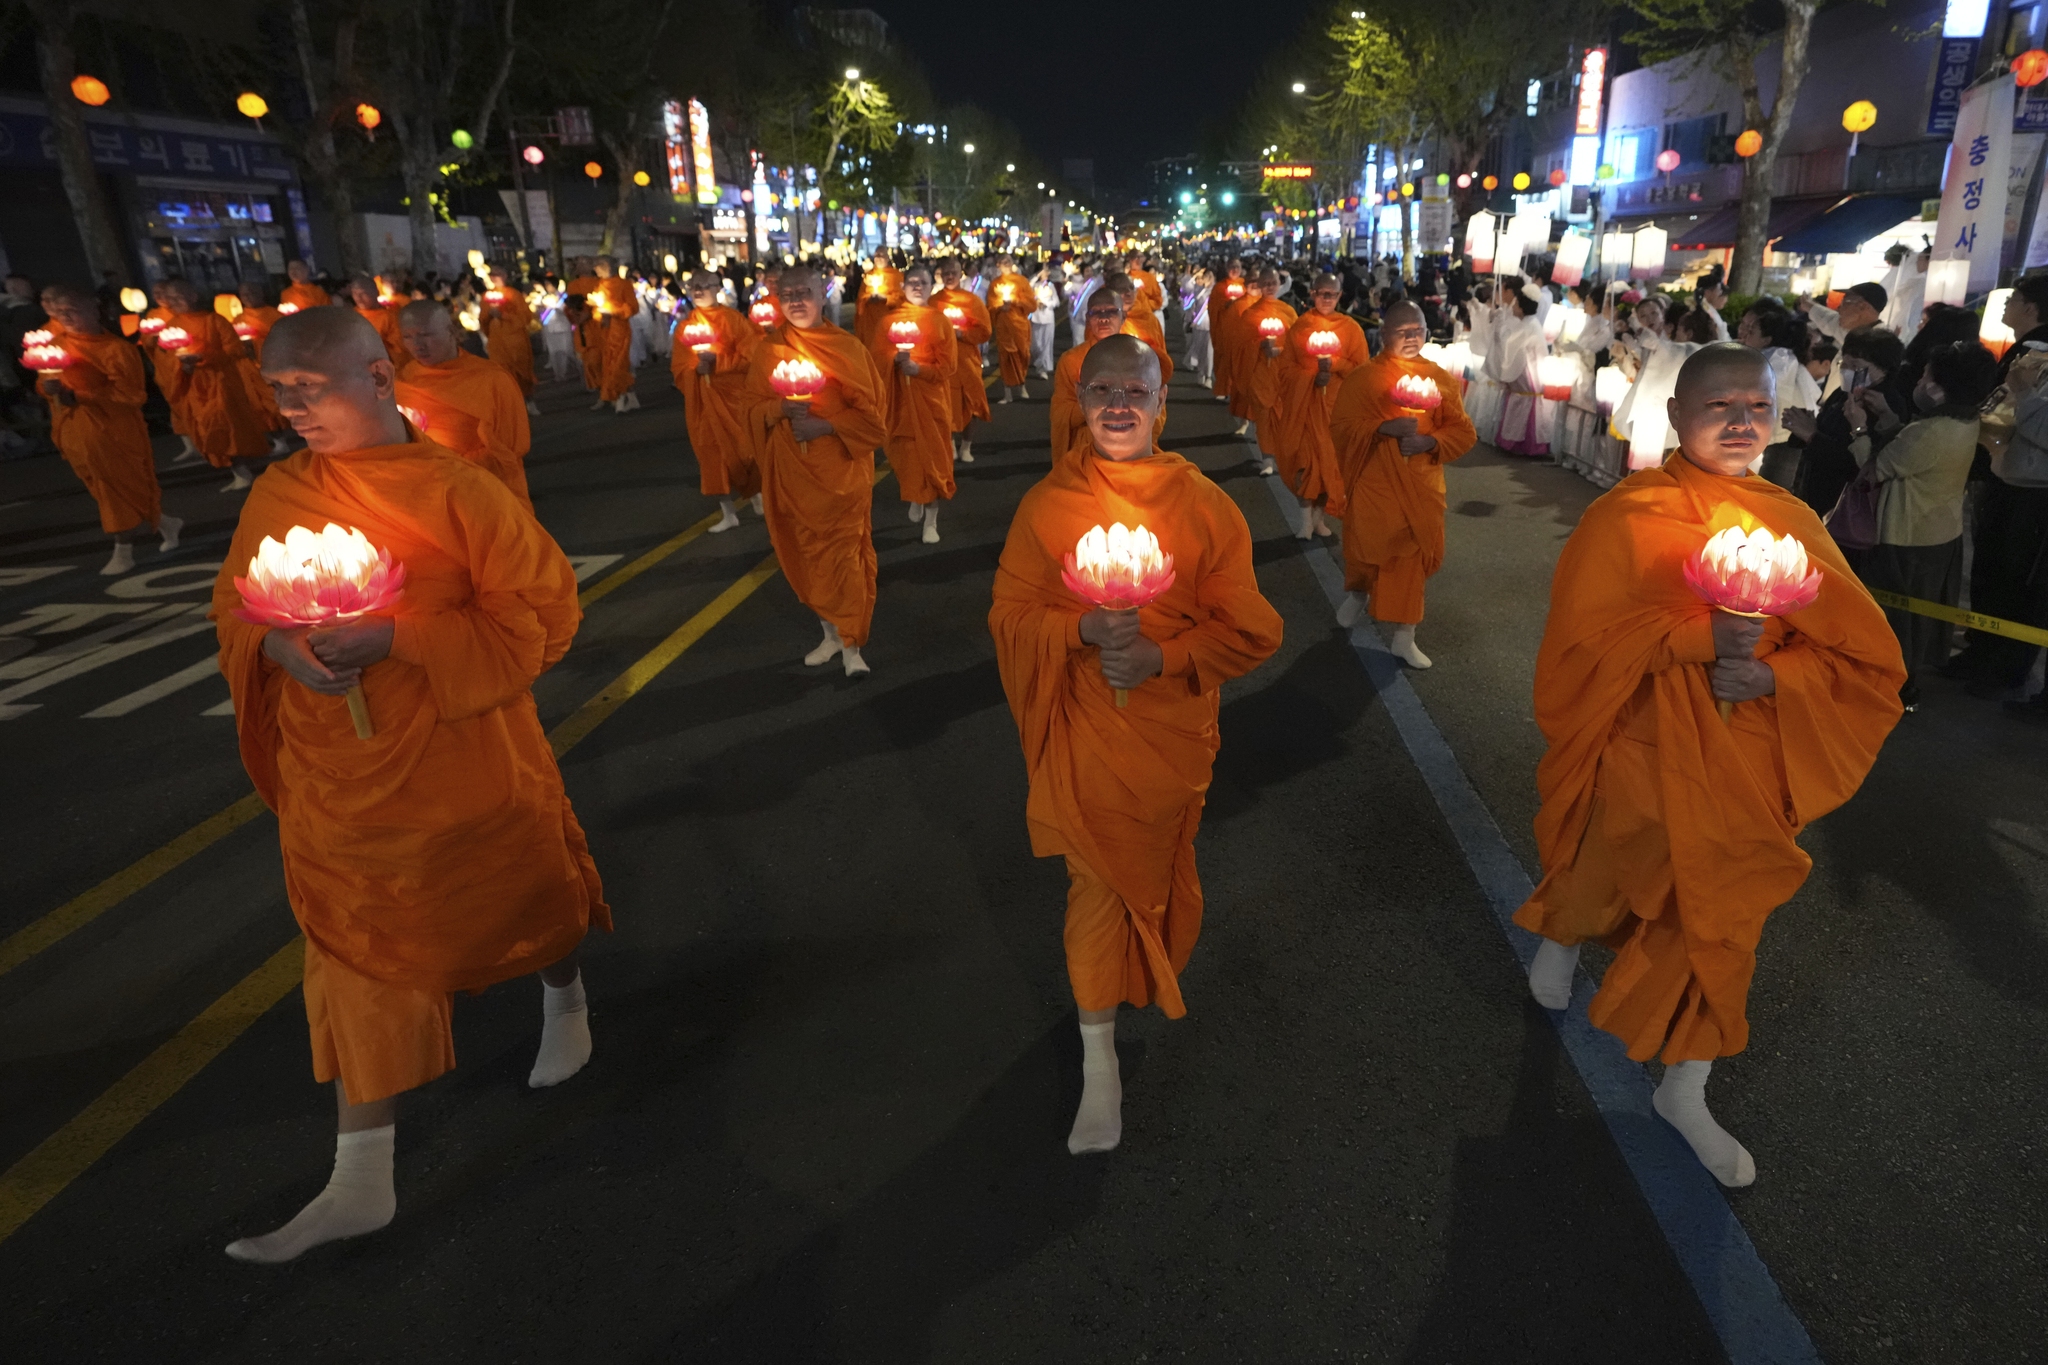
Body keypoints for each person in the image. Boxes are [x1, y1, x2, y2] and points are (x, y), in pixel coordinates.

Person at [212, 306, 608, 1263]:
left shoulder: (457, 490)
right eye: (281, 396)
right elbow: (236, 599)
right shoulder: (281, 487)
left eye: (311, 391)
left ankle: (566, 996)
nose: (294, 411)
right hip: (338, 778)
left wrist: (400, 636)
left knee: (524, 893)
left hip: (458, 754)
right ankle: (362, 1176)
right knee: (357, 944)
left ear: (378, 379)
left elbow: (542, 617)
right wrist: (278, 645)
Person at [1514, 343, 1904, 1188]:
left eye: (1756, 408)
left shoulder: (1793, 523)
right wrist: (1695, 637)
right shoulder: (1627, 516)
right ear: (1675, 417)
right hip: (1644, 745)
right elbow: (1582, 645)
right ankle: (1561, 933)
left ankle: (1685, 1085)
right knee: (1604, 866)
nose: (1738, 422)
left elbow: (1861, 659)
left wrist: (1772, 672)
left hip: (1748, 759)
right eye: (1718, 406)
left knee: (1721, 918)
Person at [988, 334, 1282, 1155]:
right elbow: (1009, 617)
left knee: (1147, 880)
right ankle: (1098, 1062)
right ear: (1080, 405)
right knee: (1095, 889)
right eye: (1101, 391)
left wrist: (1165, 655)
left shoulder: (1203, 506)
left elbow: (1256, 627)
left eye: (1135, 391)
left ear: (1162, 404)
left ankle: (1121, 1009)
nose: (1118, 405)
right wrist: (1080, 626)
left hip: (1167, 739)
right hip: (1087, 734)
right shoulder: (1048, 506)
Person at [744, 266, 888, 677]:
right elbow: (751, 409)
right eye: (786, 293)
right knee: (809, 559)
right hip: (792, 477)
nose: (794, 300)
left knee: (845, 558)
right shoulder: (769, 349)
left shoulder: (846, 348)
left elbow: (875, 421)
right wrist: (779, 409)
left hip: (839, 476)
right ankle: (829, 635)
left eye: (803, 291)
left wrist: (825, 425)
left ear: (822, 295)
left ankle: (853, 644)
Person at [1327, 300, 1478, 669]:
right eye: (1403, 331)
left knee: (1410, 557)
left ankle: (1404, 636)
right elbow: (1342, 427)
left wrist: (1431, 442)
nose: (1412, 338)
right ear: (1383, 335)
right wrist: (1381, 428)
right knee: (1366, 545)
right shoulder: (1365, 377)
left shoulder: (1440, 378)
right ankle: (1359, 590)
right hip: (1375, 482)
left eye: (1419, 330)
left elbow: (1462, 431)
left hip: (1421, 485)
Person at [1848, 340, 1993, 708]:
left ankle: (1896, 690)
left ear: (1936, 386)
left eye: (1926, 374)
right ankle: (1902, 684)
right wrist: (1888, 419)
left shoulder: (1929, 430)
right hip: (1940, 531)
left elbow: (1873, 471)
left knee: (1897, 620)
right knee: (1916, 619)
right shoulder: (1965, 419)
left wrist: (1859, 429)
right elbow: (1913, 454)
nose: (1920, 380)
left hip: (1906, 534)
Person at [35, 284, 182, 575]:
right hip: (74, 428)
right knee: (105, 489)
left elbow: (132, 396)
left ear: (94, 309)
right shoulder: (56, 344)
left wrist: (81, 395)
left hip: (113, 430)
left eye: (73, 310)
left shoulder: (118, 349)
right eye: (61, 312)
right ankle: (166, 523)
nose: (66, 316)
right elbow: (42, 384)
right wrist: (47, 387)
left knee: (116, 489)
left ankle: (123, 551)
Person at [394, 300, 535, 512]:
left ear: (451, 331)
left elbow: (511, 447)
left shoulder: (491, 379)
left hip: (487, 490)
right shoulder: (403, 381)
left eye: (425, 335)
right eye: (408, 336)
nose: (417, 344)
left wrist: (451, 466)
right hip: (431, 493)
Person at [868, 262, 957, 544]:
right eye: (912, 282)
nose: (917, 286)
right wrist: (893, 361)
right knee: (906, 460)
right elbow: (874, 360)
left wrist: (920, 370)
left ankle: (932, 521)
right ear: (903, 287)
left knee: (932, 462)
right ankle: (914, 496)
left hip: (931, 404)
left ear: (932, 287)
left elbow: (949, 366)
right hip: (900, 404)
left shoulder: (940, 320)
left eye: (923, 282)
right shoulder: (888, 321)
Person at [1274, 274, 1369, 540]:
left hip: (1335, 411)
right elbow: (1285, 370)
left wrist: (1336, 365)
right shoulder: (1301, 326)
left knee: (1329, 468)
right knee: (1305, 467)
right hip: (1305, 411)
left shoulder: (1350, 328)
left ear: (1340, 297)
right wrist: (1311, 377)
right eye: (1321, 293)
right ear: (1312, 294)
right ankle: (1304, 521)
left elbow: (1362, 372)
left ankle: (1318, 519)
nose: (1326, 299)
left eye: (1332, 294)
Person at [158, 278, 274, 492]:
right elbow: (168, 357)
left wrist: (204, 356)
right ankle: (238, 472)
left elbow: (235, 350)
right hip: (194, 384)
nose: (175, 302)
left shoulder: (215, 321)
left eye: (179, 296)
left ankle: (242, 471)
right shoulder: (173, 325)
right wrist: (182, 365)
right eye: (171, 298)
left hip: (221, 383)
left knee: (223, 427)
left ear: (193, 296)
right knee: (205, 429)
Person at [1785, 325, 1909, 522]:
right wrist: (1801, 427)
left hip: (1847, 511)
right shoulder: (1842, 393)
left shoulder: (1886, 405)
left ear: (1883, 368)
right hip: (1815, 495)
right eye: (1843, 362)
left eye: (1855, 365)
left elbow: (1860, 465)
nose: (1845, 369)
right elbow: (1818, 436)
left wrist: (1811, 435)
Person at [672, 271, 765, 533]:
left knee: (744, 452)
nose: (698, 291)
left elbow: (752, 359)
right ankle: (728, 512)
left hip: (734, 398)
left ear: (717, 289)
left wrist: (719, 363)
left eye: (704, 286)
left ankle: (756, 495)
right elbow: (679, 367)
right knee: (710, 455)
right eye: (693, 287)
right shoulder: (684, 327)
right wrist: (695, 371)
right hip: (703, 402)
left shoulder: (733, 320)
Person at [1050, 288, 1145, 457]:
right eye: (1096, 313)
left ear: (1123, 317)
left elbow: (1156, 413)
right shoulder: (1071, 360)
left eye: (1111, 312)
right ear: (1087, 319)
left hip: (1130, 445)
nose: (1103, 318)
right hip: (1085, 450)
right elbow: (1060, 414)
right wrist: (1097, 402)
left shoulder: (1140, 358)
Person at [934, 258, 993, 464]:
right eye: (946, 273)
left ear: (961, 275)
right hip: (942, 362)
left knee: (971, 403)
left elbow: (985, 331)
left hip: (967, 360)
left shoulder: (972, 301)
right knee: (944, 404)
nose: (950, 276)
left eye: (954, 272)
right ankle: (949, 443)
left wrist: (962, 334)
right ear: (940, 275)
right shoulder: (933, 302)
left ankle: (966, 446)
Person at [1240, 267, 1298, 473]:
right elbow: (1243, 344)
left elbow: (1296, 343)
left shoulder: (1288, 311)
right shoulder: (1251, 313)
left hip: (1283, 373)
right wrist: (1261, 346)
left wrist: (1281, 349)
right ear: (1259, 285)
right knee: (1264, 416)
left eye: (1273, 283)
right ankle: (1267, 459)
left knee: (1283, 416)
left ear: (1279, 284)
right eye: (1265, 283)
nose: (1269, 287)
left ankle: (1281, 455)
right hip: (1261, 374)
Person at [1486, 281, 1552, 457]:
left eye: (1516, 303)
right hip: (1521, 381)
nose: (1513, 306)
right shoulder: (1526, 324)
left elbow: (1516, 351)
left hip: (1528, 380)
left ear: (1522, 308)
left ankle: (1523, 445)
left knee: (1523, 408)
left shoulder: (1530, 326)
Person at [480, 269, 541, 416]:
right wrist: (489, 314)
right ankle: (511, 406)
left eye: (497, 275)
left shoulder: (513, 294)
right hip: (497, 341)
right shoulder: (486, 296)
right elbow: (482, 319)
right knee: (502, 374)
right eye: (492, 276)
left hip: (515, 339)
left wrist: (504, 315)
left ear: (504, 276)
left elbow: (525, 316)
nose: (494, 278)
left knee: (523, 373)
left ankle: (529, 402)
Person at [589, 257, 640, 414]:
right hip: (605, 330)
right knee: (609, 363)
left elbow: (632, 307)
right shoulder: (600, 285)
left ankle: (619, 398)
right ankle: (631, 399)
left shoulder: (624, 284)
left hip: (620, 329)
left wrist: (613, 310)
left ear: (606, 266)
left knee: (618, 364)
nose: (596, 271)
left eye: (597, 267)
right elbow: (596, 310)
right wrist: (600, 313)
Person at [988, 256, 1036, 403]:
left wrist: (1016, 301)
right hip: (1004, 325)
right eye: (1003, 262)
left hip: (1020, 324)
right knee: (1006, 358)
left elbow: (1032, 304)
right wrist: (1000, 307)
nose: (1006, 264)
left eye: (1009, 261)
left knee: (1023, 355)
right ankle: (1007, 392)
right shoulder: (995, 284)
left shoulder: (1021, 281)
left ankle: (1022, 386)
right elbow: (990, 306)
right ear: (998, 265)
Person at [347, 276, 411, 367]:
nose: (358, 298)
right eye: (354, 293)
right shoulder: (350, 315)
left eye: (363, 293)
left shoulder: (389, 318)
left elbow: (399, 351)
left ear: (376, 292)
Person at [856, 248, 902, 349]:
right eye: (876, 256)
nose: (879, 258)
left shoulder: (896, 276)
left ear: (888, 257)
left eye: (881, 255)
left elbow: (901, 299)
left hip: (889, 321)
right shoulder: (869, 276)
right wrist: (868, 298)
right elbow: (860, 298)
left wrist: (886, 298)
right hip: (870, 323)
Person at [1030, 262, 1060, 378]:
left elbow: (1056, 301)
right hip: (1036, 317)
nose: (1048, 272)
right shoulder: (1034, 285)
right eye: (1045, 270)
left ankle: (1043, 368)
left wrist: (1046, 303)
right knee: (1036, 345)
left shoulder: (1050, 286)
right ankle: (1039, 363)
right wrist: (1037, 275)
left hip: (1048, 318)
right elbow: (1028, 285)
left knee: (1046, 344)